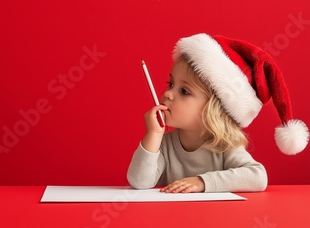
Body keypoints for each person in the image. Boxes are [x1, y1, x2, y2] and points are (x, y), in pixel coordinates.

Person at [127, 33, 309, 193]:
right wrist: (152, 135)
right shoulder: (163, 145)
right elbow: (139, 182)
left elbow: (257, 177)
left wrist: (202, 182)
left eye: (184, 91)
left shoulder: (224, 147)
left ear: (213, 109)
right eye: (171, 84)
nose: (168, 94)